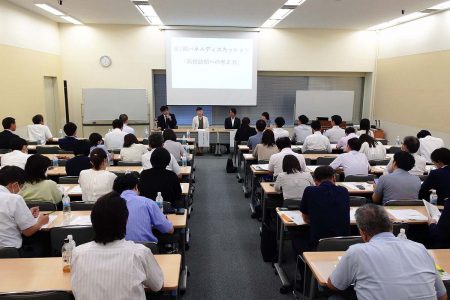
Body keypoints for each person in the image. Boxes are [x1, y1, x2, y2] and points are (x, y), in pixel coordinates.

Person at [327, 204, 447, 300]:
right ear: (390, 226)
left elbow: (334, 285)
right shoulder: (420, 248)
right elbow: (442, 295)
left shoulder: (357, 251)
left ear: (363, 233)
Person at [71, 192, 164, 300]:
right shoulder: (139, 253)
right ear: (126, 221)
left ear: (93, 221)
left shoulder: (78, 253)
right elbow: (158, 285)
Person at [293, 166, 350, 286]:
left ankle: (305, 280)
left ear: (315, 181)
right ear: (334, 178)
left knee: (296, 238)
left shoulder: (310, 191)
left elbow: (306, 218)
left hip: (319, 242)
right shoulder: (344, 191)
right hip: (344, 241)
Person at [0, 166, 49, 256]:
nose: (21, 190)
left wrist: (26, 214)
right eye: (21, 187)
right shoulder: (14, 199)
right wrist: (40, 222)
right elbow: (28, 232)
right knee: (43, 241)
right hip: (10, 251)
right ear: (14, 185)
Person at [113, 174, 174, 243]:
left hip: (117, 250)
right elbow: (169, 229)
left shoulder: (108, 205)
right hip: (146, 248)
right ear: (136, 186)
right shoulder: (147, 202)